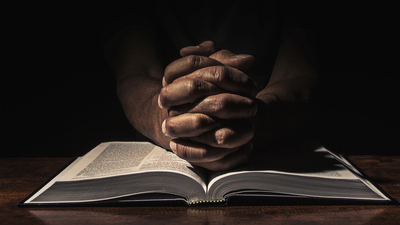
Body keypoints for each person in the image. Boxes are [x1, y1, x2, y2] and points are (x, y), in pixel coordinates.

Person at [105, 0, 317, 171]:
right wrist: (169, 120)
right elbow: (136, 72)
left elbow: (298, 74)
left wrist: (249, 117)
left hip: (279, 150)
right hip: (161, 157)